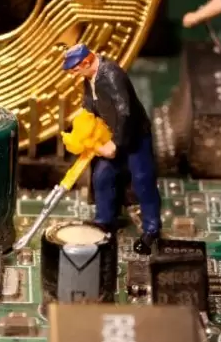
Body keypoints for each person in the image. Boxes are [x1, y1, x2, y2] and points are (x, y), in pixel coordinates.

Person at [62, 43, 162, 255]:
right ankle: (105, 221)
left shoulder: (111, 75)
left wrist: (115, 144)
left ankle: (152, 229)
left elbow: (125, 112)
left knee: (143, 182)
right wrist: (83, 126)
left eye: (75, 68)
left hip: (134, 137)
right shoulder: (89, 77)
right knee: (102, 176)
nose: (72, 73)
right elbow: (90, 104)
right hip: (110, 135)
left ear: (86, 62)